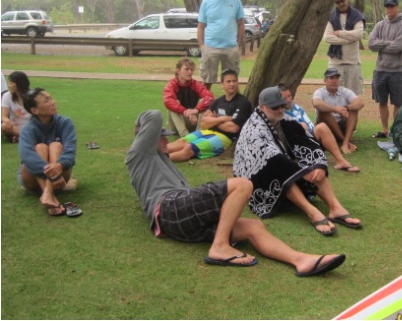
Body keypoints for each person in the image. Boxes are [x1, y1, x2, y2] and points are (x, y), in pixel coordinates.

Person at [126, 109, 346, 276]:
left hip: (181, 223)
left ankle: (301, 260)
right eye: (161, 136)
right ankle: (220, 247)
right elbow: (153, 115)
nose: (166, 140)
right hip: (169, 208)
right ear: (146, 137)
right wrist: (139, 129)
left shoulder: (160, 159)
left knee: (253, 226)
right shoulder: (139, 154)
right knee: (243, 185)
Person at [233, 87, 363, 236]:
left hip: (279, 164)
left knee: (312, 166)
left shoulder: (282, 118)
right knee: (282, 173)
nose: (280, 109)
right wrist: (302, 172)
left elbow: (306, 140)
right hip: (256, 180)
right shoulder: (254, 129)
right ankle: (312, 212)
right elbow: (273, 159)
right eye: (275, 107)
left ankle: (335, 208)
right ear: (261, 107)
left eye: (282, 105)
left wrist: (319, 165)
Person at [167, 69, 252, 162]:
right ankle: (153, 153)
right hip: (207, 132)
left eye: (234, 81)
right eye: (228, 81)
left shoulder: (243, 103)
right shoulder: (218, 101)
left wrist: (213, 120)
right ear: (222, 84)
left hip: (225, 138)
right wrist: (222, 119)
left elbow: (233, 128)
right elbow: (203, 123)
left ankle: (161, 161)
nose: (232, 84)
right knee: (181, 141)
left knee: (189, 148)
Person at [18, 88, 79, 216]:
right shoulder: (28, 129)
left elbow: (70, 149)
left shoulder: (65, 122)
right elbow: (27, 156)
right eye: (47, 101)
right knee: (40, 147)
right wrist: (53, 174)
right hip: (32, 179)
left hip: (61, 177)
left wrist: (59, 166)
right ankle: (48, 192)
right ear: (35, 110)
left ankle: (47, 194)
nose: (52, 102)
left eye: (51, 98)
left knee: (56, 145)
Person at [278, 83, 360, 173]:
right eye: (285, 98)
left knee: (320, 127)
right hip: (296, 143)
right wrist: (299, 128)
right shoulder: (278, 114)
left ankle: (341, 158)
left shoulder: (296, 107)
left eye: (289, 96)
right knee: (319, 126)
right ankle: (340, 159)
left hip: (309, 137)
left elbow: (309, 125)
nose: (289, 100)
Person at [368, 0, 402, 139]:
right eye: (387, 6)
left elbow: (398, 46)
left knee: (399, 102)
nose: (389, 9)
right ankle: (384, 130)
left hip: (397, 71)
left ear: (397, 7)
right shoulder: (380, 24)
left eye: (392, 6)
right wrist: (388, 43)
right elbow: (371, 44)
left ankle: (395, 130)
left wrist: (381, 44)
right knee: (382, 101)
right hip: (380, 70)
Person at [197, 0, 245, 90]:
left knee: (232, 82)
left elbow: (241, 24)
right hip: (211, 47)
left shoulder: (235, 1)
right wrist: (202, 47)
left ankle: (235, 107)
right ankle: (205, 106)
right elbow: (201, 27)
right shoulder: (206, 3)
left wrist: (238, 45)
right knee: (207, 81)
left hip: (230, 48)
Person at [312, 67, 364, 155]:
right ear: (325, 80)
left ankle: (344, 143)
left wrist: (346, 108)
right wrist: (335, 109)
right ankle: (345, 142)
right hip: (325, 127)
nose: (334, 80)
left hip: (342, 126)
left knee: (353, 110)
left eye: (336, 78)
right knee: (324, 112)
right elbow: (316, 103)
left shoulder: (345, 91)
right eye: (331, 78)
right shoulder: (319, 92)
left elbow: (360, 103)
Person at [323, 0, 366, 95]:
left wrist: (340, 33)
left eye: (343, 0)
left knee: (353, 99)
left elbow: (358, 34)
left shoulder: (357, 15)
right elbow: (327, 37)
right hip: (335, 64)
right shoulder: (331, 17)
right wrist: (348, 39)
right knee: (334, 96)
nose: (341, 3)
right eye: (338, 2)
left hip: (353, 63)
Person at [163, 58, 215, 137]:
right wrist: (185, 112)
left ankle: (199, 134)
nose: (190, 72)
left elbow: (210, 97)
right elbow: (168, 100)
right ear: (178, 70)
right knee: (173, 103)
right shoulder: (171, 85)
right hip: (176, 125)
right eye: (186, 69)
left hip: (193, 121)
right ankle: (185, 135)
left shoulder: (195, 84)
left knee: (204, 101)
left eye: (191, 69)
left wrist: (196, 110)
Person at [1, 71, 32, 143]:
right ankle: (25, 137)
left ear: (19, 84)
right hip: (15, 128)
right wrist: (7, 120)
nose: (9, 86)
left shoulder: (32, 96)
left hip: (31, 127)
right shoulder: (7, 96)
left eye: (11, 83)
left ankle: (21, 137)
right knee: (4, 126)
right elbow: (4, 116)